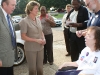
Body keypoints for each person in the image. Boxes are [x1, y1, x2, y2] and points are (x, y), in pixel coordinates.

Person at [19, 1, 46, 75]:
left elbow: (41, 31)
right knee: (32, 70)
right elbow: (23, 36)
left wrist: (44, 39)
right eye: (36, 8)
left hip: (40, 48)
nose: (38, 10)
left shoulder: (38, 19)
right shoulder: (24, 21)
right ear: (30, 10)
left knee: (40, 68)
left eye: (38, 8)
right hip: (30, 49)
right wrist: (36, 40)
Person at [0, 0, 16, 75]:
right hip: (1, 61)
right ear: (4, 4)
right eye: (12, 5)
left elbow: (10, 31)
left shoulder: (8, 15)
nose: (14, 7)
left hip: (9, 58)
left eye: (15, 5)